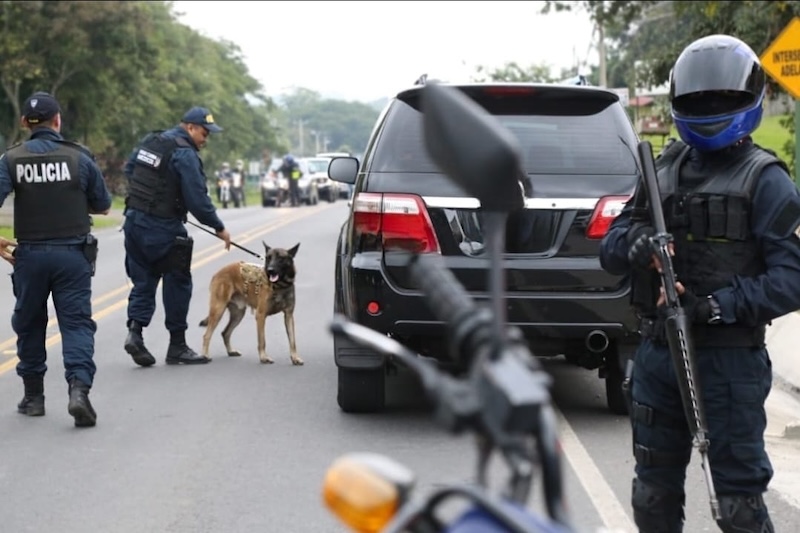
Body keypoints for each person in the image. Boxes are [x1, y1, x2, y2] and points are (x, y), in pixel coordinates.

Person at [599, 35, 800, 532]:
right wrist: (638, 244)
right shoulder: (660, 170)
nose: (711, 109)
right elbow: (610, 248)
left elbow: (792, 279)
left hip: (728, 361)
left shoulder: (767, 180)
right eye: (699, 101)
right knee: (652, 497)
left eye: (723, 100)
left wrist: (713, 307)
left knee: (737, 507)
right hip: (657, 355)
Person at [0, 91, 112, 428]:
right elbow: (104, 205)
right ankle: (78, 390)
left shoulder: (11, 159)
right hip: (72, 256)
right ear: (58, 121)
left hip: (30, 256)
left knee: (30, 323)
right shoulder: (79, 159)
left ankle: (34, 397)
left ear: (24, 123)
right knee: (76, 324)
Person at [123, 106, 232, 367]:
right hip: (163, 228)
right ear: (190, 127)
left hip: (133, 223)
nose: (206, 139)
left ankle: (135, 334)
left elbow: (130, 170)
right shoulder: (185, 154)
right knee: (177, 281)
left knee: (143, 280)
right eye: (205, 133)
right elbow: (197, 199)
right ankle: (177, 346)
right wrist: (218, 227)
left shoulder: (152, 141)